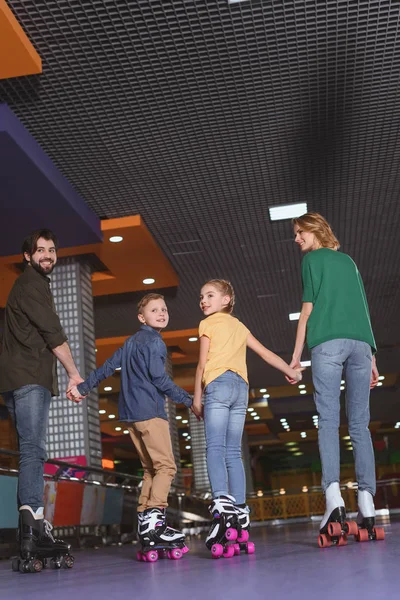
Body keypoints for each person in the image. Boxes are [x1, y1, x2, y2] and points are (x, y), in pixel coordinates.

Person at [67, 293, 193, 561]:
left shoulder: (130, 342)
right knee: (166, 467)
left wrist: (82, 388)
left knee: (150, 469)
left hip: (130, 416)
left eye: (164, 308)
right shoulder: (155, 342)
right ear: (141, 317)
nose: (161, 313)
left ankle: (144, 523)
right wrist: (189, 401)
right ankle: (155, 520)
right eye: (154, 310)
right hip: (150, 412)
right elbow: (160, 379)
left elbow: (106, 368)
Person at [288, 212, 381, 544]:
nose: (296, 238)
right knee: (360, 424)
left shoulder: (313, 260)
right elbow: (363, 307)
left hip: (327, 343)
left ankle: (334, 499)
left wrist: (297, 356)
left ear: (315, 232)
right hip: (360, 344)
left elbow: (308, 310)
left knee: (328, 420)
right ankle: (367, 502)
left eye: (300, 232)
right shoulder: (349, 261)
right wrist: (372, 355)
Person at [192, 279, 303, 554]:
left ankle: (221, 504)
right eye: (202, 297)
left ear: (226, 300)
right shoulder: (240, 326)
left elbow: (202, 363)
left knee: (215, 448)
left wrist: (197, 397)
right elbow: (265, 353)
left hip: (217, 384)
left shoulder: (208, 324)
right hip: (241, 388)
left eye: (210, 295)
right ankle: (240, 510)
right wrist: (292, 372)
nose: (203, 301)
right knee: (233, 453)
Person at [0, 229, 82, 570]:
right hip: (29, 377)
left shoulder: (29, 285)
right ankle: (33, 529)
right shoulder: (32, 284)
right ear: (28, 256)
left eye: (52, 249)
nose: (47, 254)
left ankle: (33, 526)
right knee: (34, 450)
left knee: (29, 450)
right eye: (41, 250)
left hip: (17, 379)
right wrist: (74, 373)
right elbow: (52, 332)